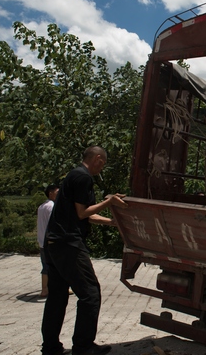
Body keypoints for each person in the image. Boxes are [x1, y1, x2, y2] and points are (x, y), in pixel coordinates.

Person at [41, 146, 128, 355]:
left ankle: (50, 347)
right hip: (68, 243)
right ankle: (83, 346)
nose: (103, 167)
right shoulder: (83, 178)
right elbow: (83, 213)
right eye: (103, 163)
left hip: (53, 243)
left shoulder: (74, 176)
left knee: (57, 297)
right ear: (97, 158)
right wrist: (109, 202)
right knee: (90, 293)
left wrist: (112, 222)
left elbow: (85, 214)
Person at [37, 184, 59, 298]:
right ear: (50, 193)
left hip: (41, 240)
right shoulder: (51, 207)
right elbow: (53, 223)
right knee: (51, 265)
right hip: (49, 241)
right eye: (57, 191)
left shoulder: (42, 206)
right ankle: (45, 289)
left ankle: (47, 288)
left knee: (46, 264)